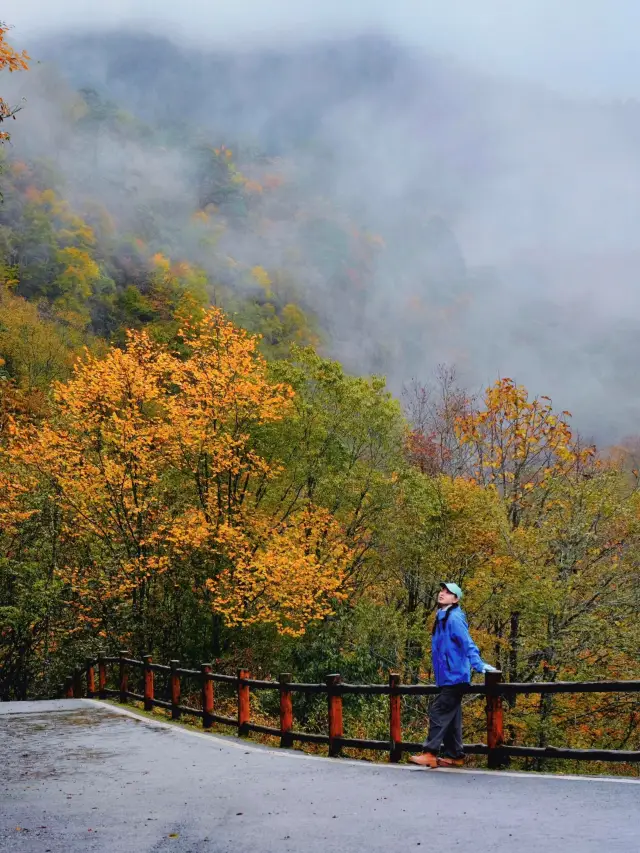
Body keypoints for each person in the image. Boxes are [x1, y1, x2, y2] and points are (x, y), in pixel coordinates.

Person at [409, 581, 497, 768]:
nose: (442, 593)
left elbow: (467, 643)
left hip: (455, 677)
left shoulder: (454, 618)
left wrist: (478, 664)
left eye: (448, 592)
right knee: (451, 715)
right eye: (442, 590)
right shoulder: (442, 617)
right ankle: (455, 755)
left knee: (438, 710)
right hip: (447, 677)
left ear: (455, 599)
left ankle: (430, 753)